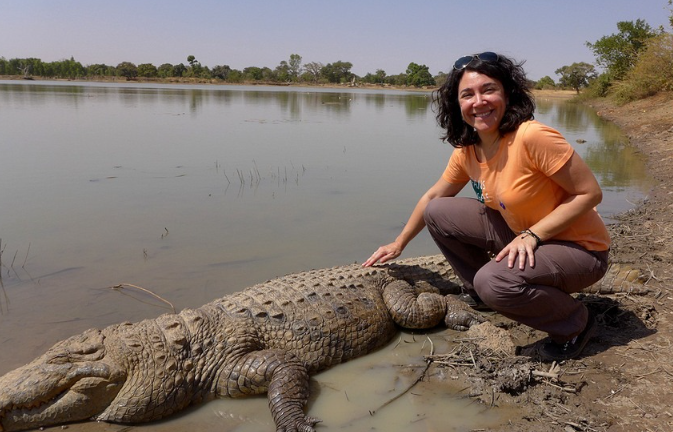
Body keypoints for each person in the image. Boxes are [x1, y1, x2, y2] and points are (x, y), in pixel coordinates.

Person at [363, 52, 610, 361]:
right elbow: (431, 198)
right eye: (468, 94)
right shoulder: (469, 149)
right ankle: (483, 294)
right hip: (525, 236)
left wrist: (533, 235)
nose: (479, 101)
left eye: (488, 90)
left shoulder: (532, 137)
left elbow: (590, 194)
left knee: (493, 280)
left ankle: (574, 324)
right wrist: (400, 242)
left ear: (507, 94)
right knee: (437, 212)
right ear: (457, 104)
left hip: (579, 250)